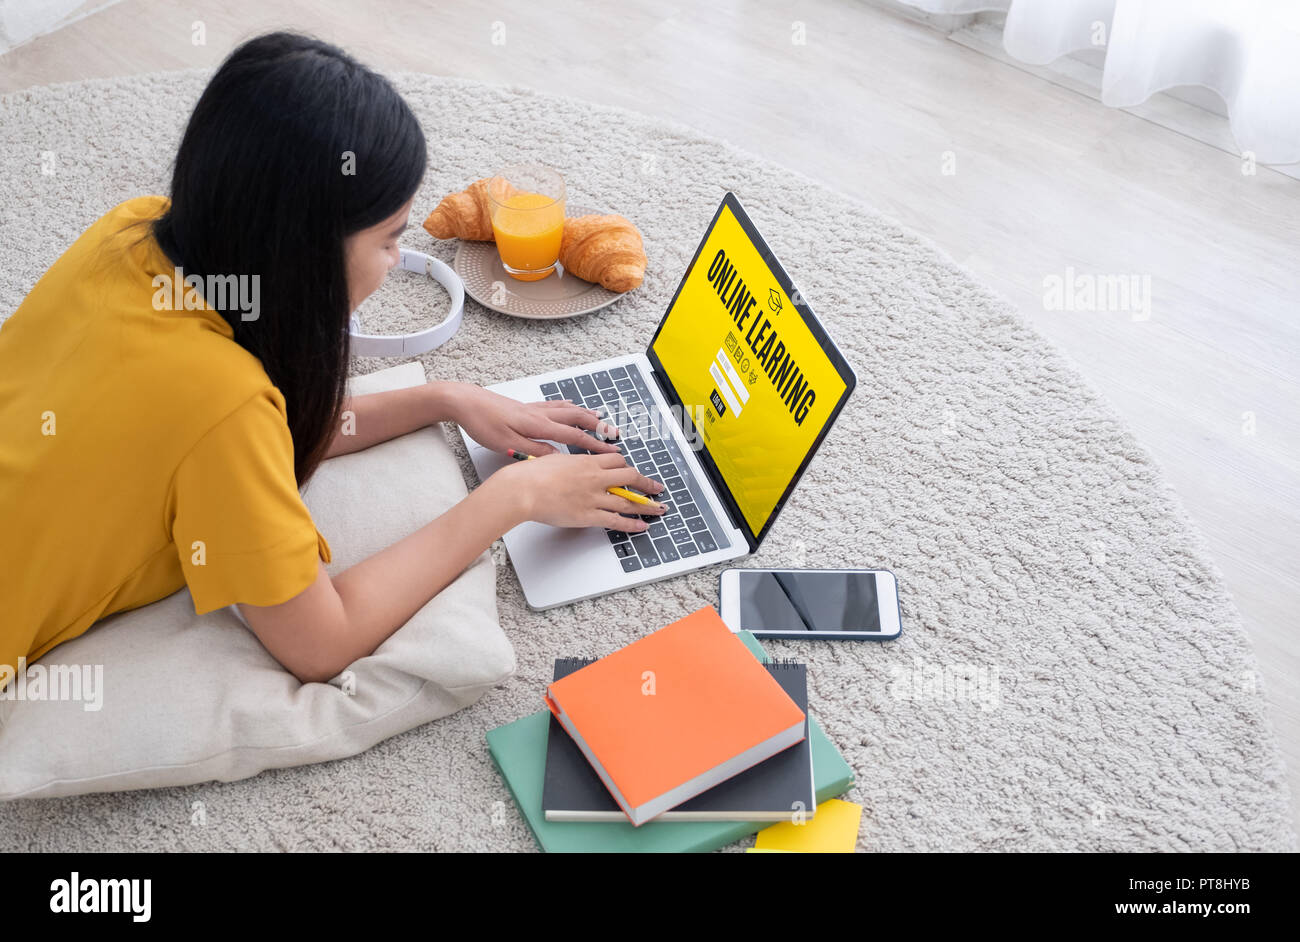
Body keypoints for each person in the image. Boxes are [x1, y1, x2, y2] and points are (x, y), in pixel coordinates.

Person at [0, 32, 665, 690]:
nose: (397, 261)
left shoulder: (130, 228)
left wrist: (444, 399)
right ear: (306, 254)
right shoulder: (224, 405)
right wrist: (512, 496)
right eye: (387, 240)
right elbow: (322, 642)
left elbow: (240, 434)